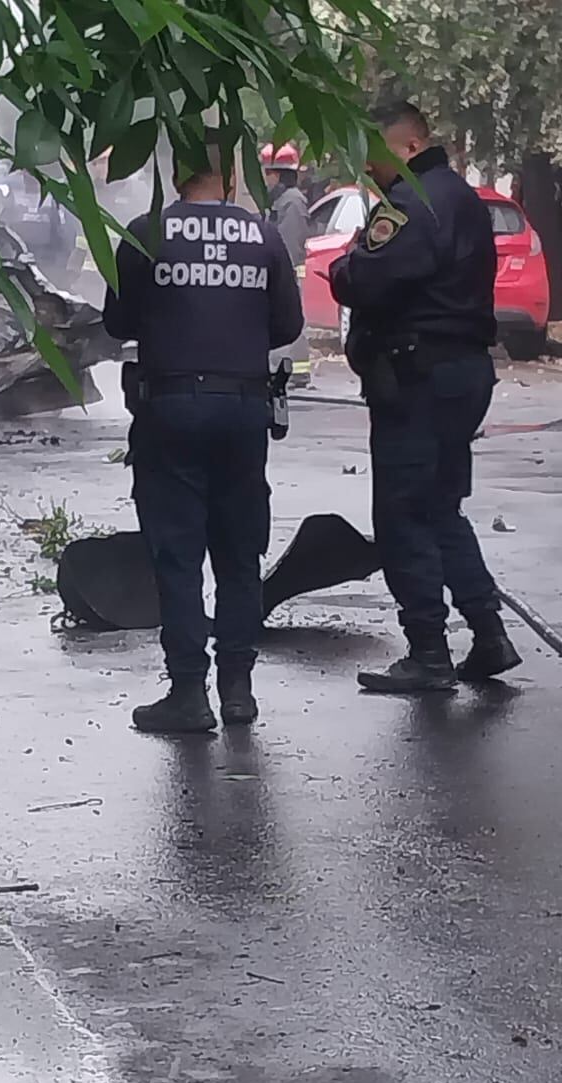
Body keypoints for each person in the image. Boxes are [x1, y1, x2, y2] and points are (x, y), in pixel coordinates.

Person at [102, 130, 303, 733]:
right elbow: (287, 324)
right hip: (243, 412)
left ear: (174, 174)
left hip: (170, 410)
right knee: (240, 554)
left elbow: (118, 323)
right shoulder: (263, 236)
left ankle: (189, 693)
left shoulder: (147, 232)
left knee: (178, 555)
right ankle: (238, 690)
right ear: (234, 178)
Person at [329, 101, 520, 693]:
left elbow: (369, 277)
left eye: (376, 153)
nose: (368, 168)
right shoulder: (460, 195)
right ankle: (488, 634)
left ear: (408, 146)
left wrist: (343, 268)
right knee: (439, 508)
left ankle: (428, 653)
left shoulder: (413, 202)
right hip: (459, 372)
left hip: (419, 375)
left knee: (404, 515)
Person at [261, 143, 312, 388]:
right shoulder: (281, 200)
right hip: (285, 271)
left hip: (290, 271)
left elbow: (289, 241)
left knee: (294, 320)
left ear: (278, 174)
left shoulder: (292, 202)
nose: (265, 179)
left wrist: (280, 271)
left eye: (268, 173)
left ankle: (299, 373)